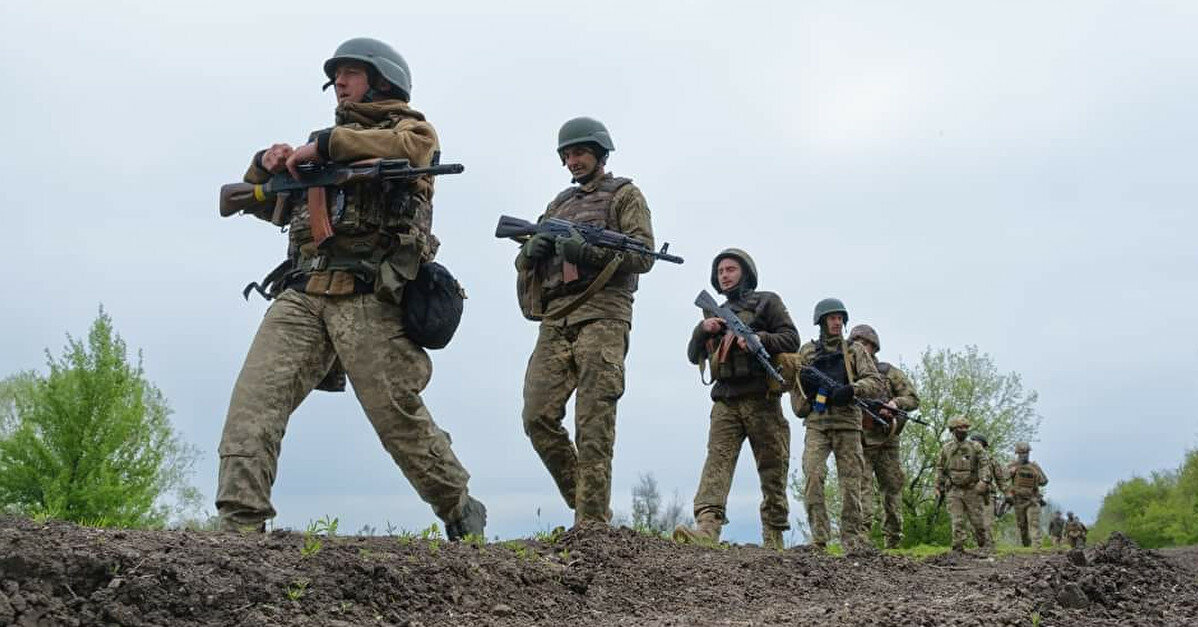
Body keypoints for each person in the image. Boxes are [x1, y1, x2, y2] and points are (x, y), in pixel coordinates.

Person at [215, 38, 486, 540]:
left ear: (383, 80)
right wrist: (268, 164)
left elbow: (414, 149)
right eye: (335, 75)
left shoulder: (408, 129)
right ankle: (239, 526)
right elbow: (268, 206)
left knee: (397, 418)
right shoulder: (315, 153)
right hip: (302, 293)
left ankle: (460, 508)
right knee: (253, 405)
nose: (338, 83)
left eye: (351, 73)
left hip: (368, 297)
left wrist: (326, 148)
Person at [516, 117, 656, 525]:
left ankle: (592, 527)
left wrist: (588, 253)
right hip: (557, 318)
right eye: (567, 155)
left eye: (580, 152)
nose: (573, 161)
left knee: (593, 423)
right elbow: (526, 260)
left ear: (599, 152)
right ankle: (589, 505)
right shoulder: (558, 204)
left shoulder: (625, 194)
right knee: (536, 416)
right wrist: (531, 251)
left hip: (604, 315)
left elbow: (644, 255)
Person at [673, 249, 800, 549]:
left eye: (731, 269)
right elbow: (694, 356)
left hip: (762, 399)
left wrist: (759, 339)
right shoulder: (714, 312)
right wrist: (701, 330)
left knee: (773, 467)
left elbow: (792, 338)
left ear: (745, 272)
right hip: (726, 401)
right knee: (716, 464)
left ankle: (774, 534)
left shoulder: (767, 301)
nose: (725, 275)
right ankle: (706, 528)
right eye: (720, 271)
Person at [787, 298, 884, 552]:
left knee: (851, 482)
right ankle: (819, 539)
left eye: (840, 318)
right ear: (821, 321)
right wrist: (804, 405)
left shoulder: (855, 350)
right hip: (817, 422)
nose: (837, 322)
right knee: (813, 476)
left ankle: (852, 539)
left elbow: (875, 382)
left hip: (848, 423)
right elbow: (794, 384)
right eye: (831, 318)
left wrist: (852, 389)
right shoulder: (807, 351)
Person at [848, 324, 920, 549]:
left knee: (892, 488)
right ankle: (862, 540)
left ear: (873, 347)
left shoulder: (889, 372)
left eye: (865, 344)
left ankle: (893, 540)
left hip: (887, 439)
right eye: (856, 343)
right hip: (860, 440)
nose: (861, 348)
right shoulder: (846, 373)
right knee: (862, 490)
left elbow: (913, 398)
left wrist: (894, 404)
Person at [935, 417, 992, 553]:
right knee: (957, 521)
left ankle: (983, 546)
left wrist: (984, 481)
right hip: (953, 489)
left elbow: (985, 464)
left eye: (966, 428)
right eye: (960, 428)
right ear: (953, 430)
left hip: (972, 489)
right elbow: (940, 468)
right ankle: (958, 548)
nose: (964, 431)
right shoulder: (946, 448)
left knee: (977, 522)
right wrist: (938, 486)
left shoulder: (975, 447)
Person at [1006, 442, 1048, 547]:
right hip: (1018, 501)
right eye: (1021, 453)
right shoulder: (1012, 466)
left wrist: (1037, 473)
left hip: (1032, 500)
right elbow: (1002, 479)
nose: (1024, 455)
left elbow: (1044, 481)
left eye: (1026, 453)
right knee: (1022, 526)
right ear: (1017, 453)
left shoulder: (1034, 466)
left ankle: (1036, 547)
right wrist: (1010, 472)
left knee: (1034, 524)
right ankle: (1026, 547)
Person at [968, 433, 1008, 546]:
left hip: (987, 496)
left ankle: (989, 550)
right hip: (970, 496)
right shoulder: (965, 459)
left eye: (977, 443)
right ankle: (980, 550)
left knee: (987, 524)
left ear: (983, 446)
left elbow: (1000, 479)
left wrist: (1007, 493)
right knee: (973, 526)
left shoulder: (991, 460)